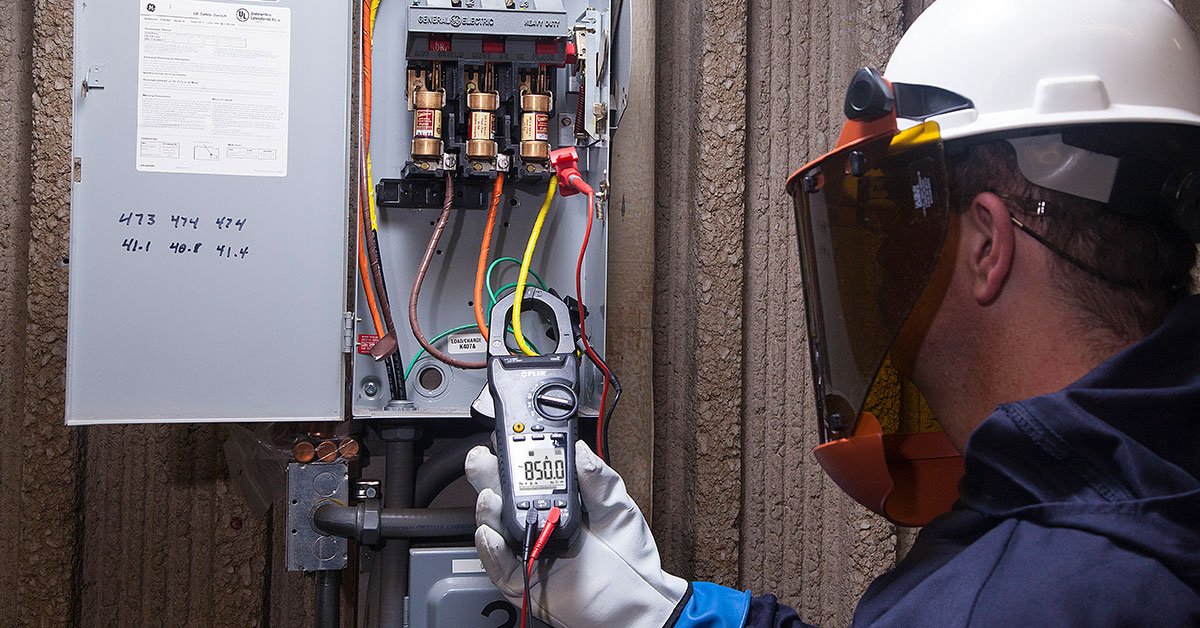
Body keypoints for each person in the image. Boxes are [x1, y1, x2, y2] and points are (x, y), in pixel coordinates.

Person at [466, 0, 1200, 624]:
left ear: (985, 244)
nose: (882, 276)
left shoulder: (1022, 595)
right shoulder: (1125, 505)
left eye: (898, 226)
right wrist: (660, 611)